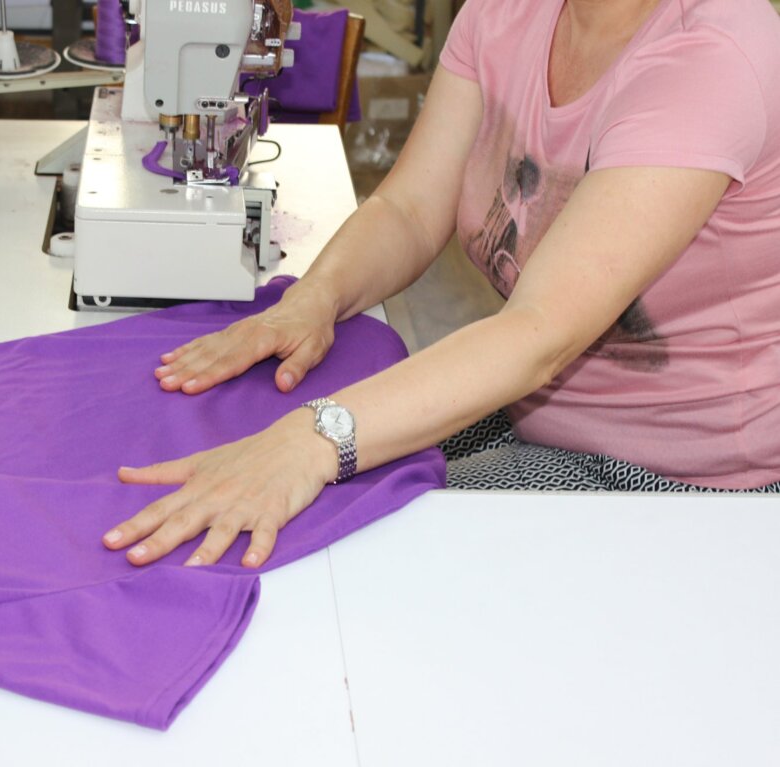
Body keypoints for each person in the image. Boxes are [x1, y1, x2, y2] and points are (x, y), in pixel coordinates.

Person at [101, 0, 780, 569]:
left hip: (684, 486)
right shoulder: (507, 12)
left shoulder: (710, 56)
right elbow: (409, 210)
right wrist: (311, 300)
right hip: (533, 412)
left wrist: (308, 442)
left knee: (337, 546)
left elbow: (539, 333)